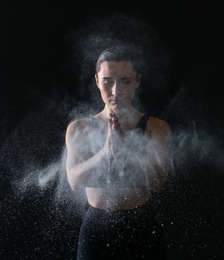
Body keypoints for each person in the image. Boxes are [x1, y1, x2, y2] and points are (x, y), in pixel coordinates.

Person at [65, 45, 172, 259]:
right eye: (108, 82)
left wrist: (124, 154)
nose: (116, 91)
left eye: (125, 81)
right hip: (96, 232)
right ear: (97, 81)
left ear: (137, 82)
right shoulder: (80, 128)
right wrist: (105, 153)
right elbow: (74, 180)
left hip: (142, 227)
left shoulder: (156, 127)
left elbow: (158, 182)